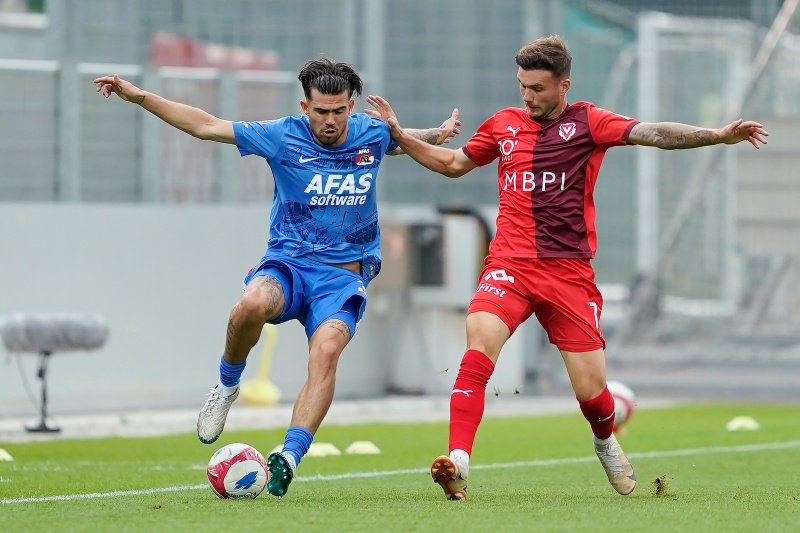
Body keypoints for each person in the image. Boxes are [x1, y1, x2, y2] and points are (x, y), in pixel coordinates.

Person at [365, 34, 768, 500]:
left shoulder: (589, 122)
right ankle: (458, 462)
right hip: (510, 264)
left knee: (591, 392)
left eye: (537, 88)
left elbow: (654, 133)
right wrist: (400, 135)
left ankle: (605, 439)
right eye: (522, 86)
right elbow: (454, 163)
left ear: (564, 86)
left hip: (568, 272)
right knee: (478, 343)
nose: (527, 96)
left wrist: (716, 135)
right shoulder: (503, 124)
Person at [94, 58, 461, 498]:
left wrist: (436, 133)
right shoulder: (282, 135)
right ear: (305, 107)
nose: (330, 121)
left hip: (342, 278)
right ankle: (227, 385)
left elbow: (401, 141)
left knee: (326, 353)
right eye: (320, 111)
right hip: (288, 265)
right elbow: (206, 125)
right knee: (250, 304)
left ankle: (288, 456)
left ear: (351, 106)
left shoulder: (373, 132)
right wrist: (139, 97)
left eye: (338, 111)